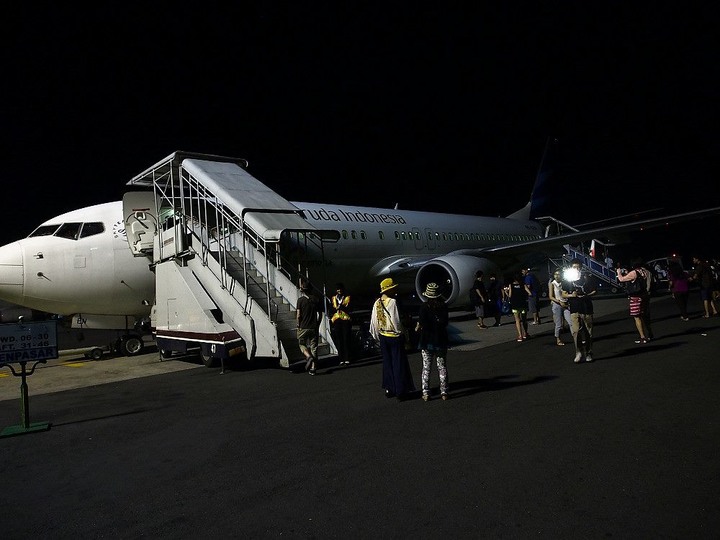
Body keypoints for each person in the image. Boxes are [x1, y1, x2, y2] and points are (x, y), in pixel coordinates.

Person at [369, 278, 416, 400]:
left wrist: (376, 335)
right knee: (398, 363)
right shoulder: (392, 302)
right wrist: (402, 333)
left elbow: (374, 322)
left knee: (387, 363)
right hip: (394, 336)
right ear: (389, 289)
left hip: (383, 336)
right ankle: (401, 390)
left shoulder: (377, 302)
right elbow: (396, 321)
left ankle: (390, 388)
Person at [415, 282, 450, 401]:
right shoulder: (443, 306)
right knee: (442, 367)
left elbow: (422, 322)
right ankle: (444, 391)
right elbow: (445, 323)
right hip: (440, 340)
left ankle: (425, 392)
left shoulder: (424, 307)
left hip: (426, 340)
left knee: (426, 367)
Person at [561, 258, 597, 362]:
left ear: (581, 267)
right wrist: (572, 295)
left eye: (578, 267)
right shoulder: (567, 280)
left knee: (589, 332)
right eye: (574, 267)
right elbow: (563, 293)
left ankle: (589, 352)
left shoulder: (587, 278)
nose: (577, 269)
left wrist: (586, 295)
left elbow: (595, 291)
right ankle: (578, 351)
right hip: (574, 308)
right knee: (576, 331)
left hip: (587, 308)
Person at [616, 258, 651, 344]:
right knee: (644, 315)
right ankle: (649, 333)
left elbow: (621, 279)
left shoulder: (634, 273)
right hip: (645, 295)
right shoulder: (646, 271)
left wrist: (618, 272)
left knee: (637, 317)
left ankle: (642, 337)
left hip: (636, 297)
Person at [297, 279, 322, 375]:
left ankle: (308, 357)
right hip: (313, 326)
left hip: (303, 326)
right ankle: (313, 368)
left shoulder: (300, 300)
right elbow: (320, 313)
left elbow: (298, 315)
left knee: (301, 344)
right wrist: (318, 323)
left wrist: (298, 325)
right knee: (314, 347)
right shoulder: (316, 299)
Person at [329, 282, 353, 365]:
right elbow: (331, 309)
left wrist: (341, 307)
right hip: (337, 320)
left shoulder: (347, 297)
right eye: (337, 289)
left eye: (340, 289)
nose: (339, 291)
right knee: (339, 339)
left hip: (345, 320)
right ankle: (341, 358)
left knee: (346, 338)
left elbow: (350, 308)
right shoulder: (333, 298)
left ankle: (347, 357)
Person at [548, 269, 571, 346]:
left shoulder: (564, 283)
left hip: (565, 304)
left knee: (571, 322)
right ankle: (558, 339)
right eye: (555, 274)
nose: (557, 276)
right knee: (558, 324)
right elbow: (551, 296)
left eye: (559, 274)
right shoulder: (552, 284)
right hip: (557, 305)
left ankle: (576, 337)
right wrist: (559, 302)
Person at [507, 272, 530, 342]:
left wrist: (506, 292)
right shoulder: (523, 284)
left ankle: (520, 336)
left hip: (515, 304)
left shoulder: (511, 285)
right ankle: (525, 333)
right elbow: (529, 293)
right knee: (524, 319)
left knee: (517, 320)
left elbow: (510, 295)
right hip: (523, 304)